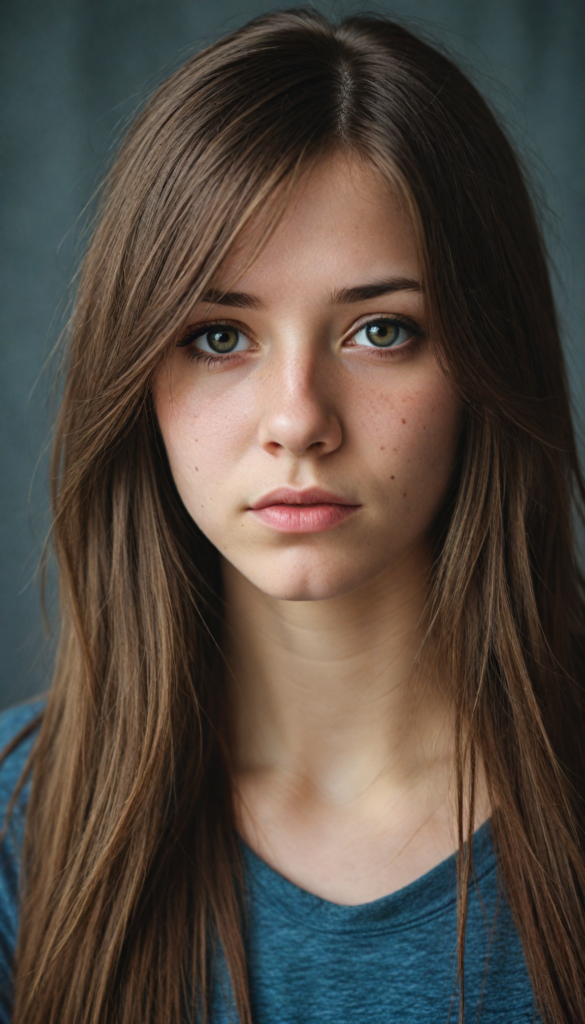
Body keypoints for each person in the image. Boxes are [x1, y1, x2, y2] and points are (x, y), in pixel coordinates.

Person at [1, 8, 584, 1023]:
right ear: (137, 378)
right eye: (220, 336)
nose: (299, 420)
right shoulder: (19, 824)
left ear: (486, 362)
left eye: (379, 329)